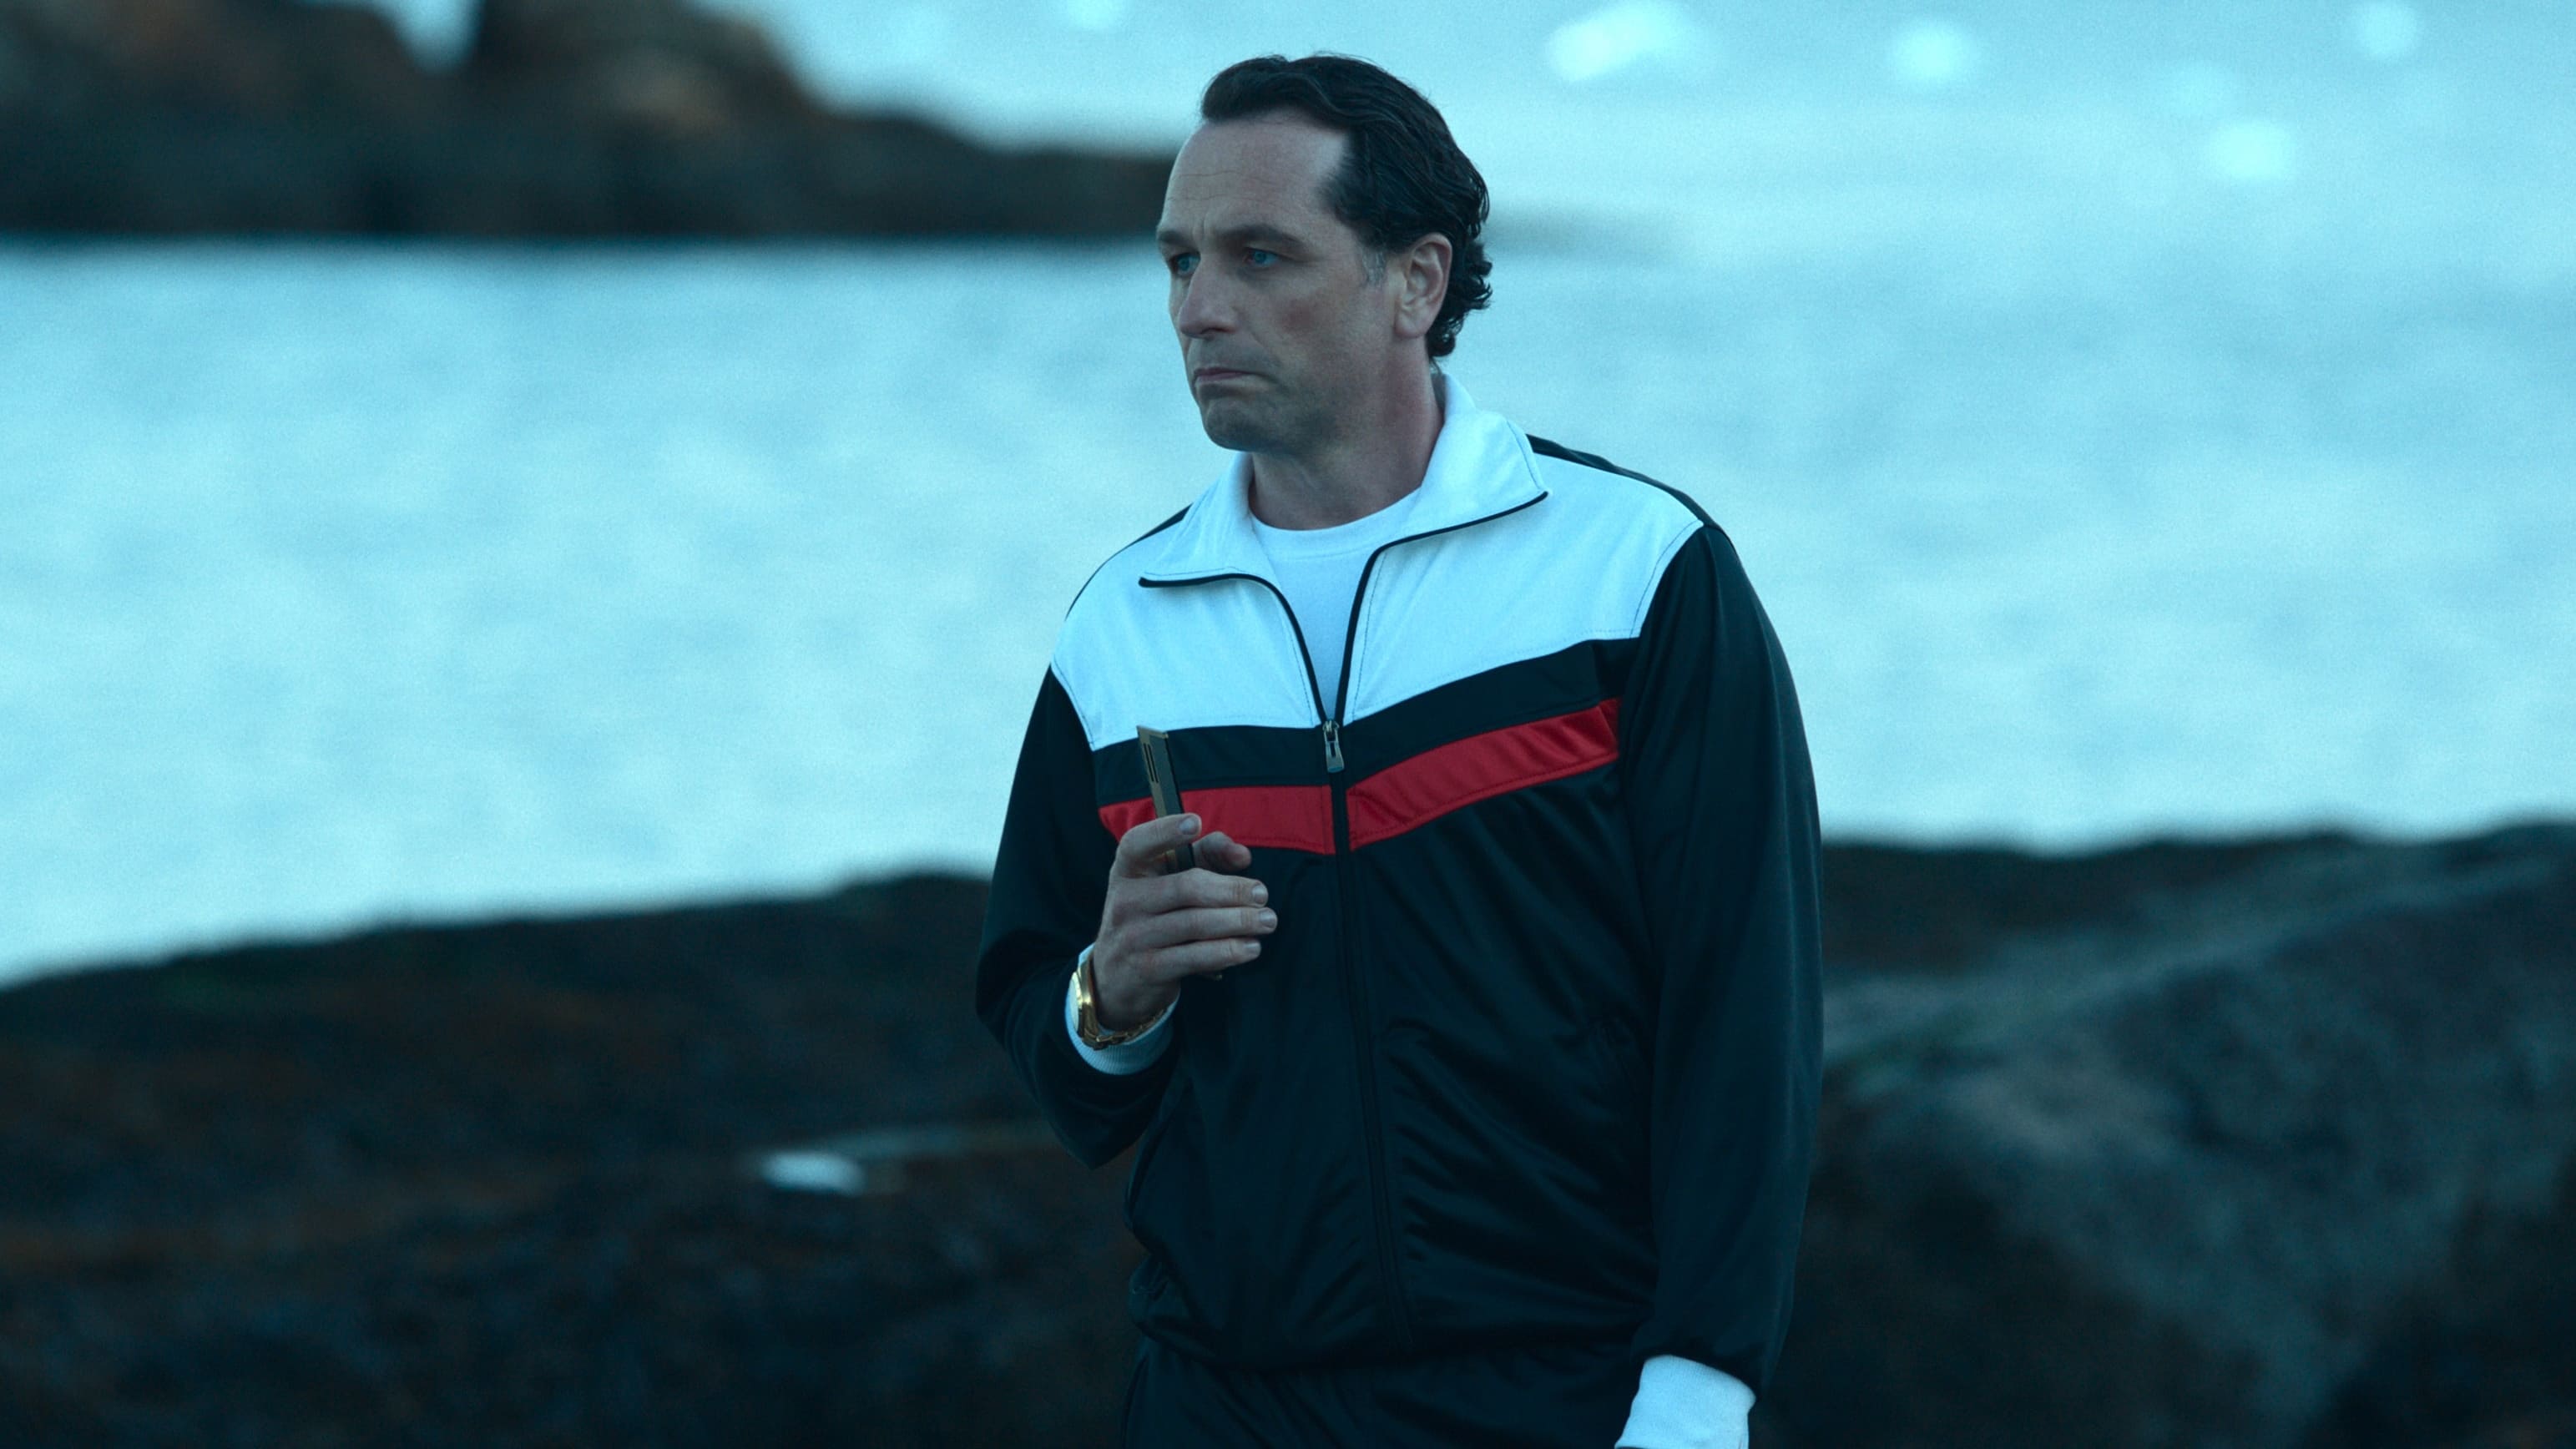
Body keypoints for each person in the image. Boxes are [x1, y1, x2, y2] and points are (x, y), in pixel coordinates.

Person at [974, 53, 1821, 1449]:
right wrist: (1111, 996)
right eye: (1180, 261)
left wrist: (1699, 1385)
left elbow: (1745, 1013)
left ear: (1415, 282)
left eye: (1260, 256)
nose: (1199, 308)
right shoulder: (1122, 629)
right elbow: (1046, 1026)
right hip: (1218, 1405)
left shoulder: (1630, 574)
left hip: (1569, 1393)